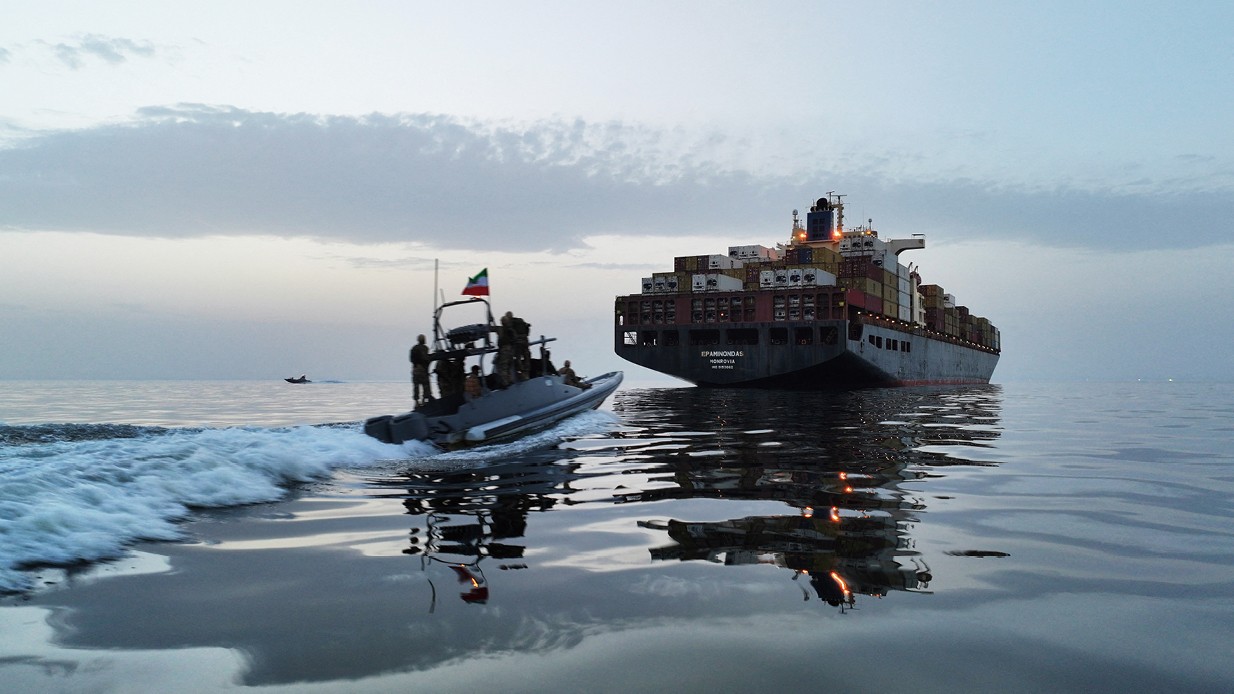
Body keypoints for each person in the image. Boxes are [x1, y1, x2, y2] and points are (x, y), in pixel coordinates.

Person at [409, 334, 433, 405]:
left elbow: (411, 359)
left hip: (415, 369)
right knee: (425, 385)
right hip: (422, 369)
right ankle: (424, 400)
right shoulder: (425, 348)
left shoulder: (414, 348)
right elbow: (425, 358)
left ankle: (416, 402)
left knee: (416, 386)